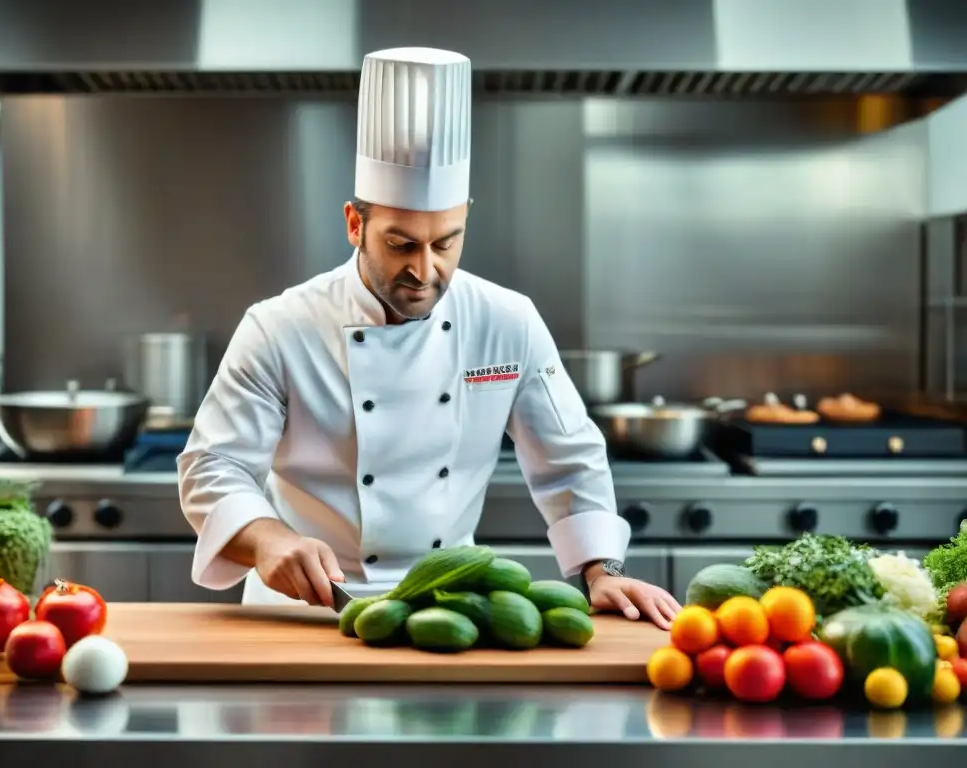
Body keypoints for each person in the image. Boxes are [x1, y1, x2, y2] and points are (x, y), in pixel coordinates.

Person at [177, 46, 681, 630]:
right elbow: (213, 466)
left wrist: (603, 571)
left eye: (445, 243)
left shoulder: (506, 321)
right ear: (354, 224)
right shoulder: (279, 327)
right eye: (400, 244)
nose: (425, 269)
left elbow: (571, 461)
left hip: (449, 612)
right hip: (305, 612)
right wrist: (266, 540)